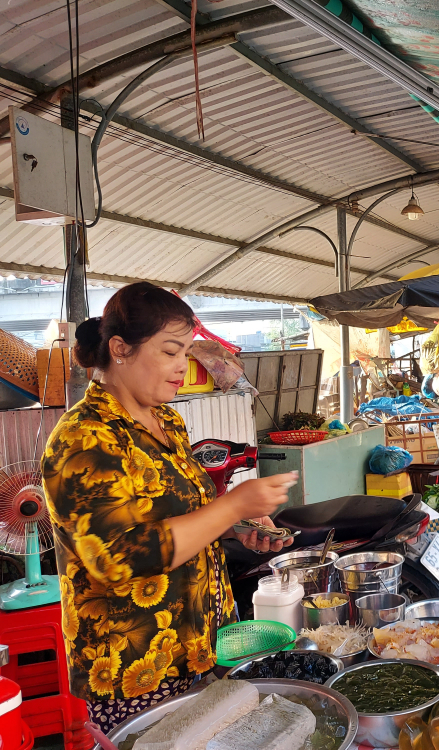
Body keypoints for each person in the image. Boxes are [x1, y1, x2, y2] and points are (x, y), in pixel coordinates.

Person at [41, 283, 298, 731]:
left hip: (201, 647)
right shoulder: (84, 437)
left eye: (186, 353)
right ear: (120, 349)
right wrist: (232, 506)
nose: (184, 367)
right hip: (138, 669)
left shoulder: (168, 423)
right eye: (171, 352)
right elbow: (118, 557)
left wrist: (232, 528)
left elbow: (176, 516)